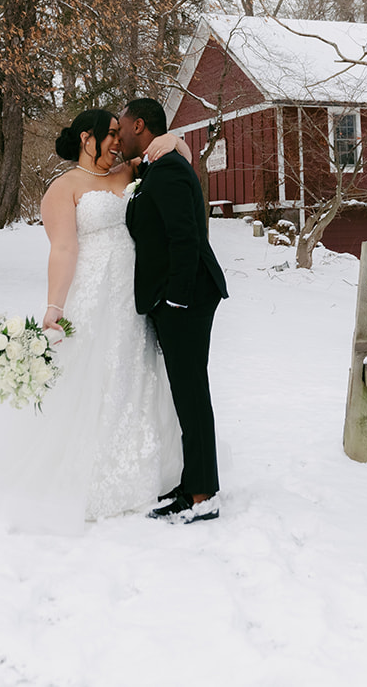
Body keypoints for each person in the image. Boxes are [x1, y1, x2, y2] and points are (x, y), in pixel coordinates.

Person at [0, 108, 189, 533]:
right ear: (88, 137)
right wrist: (54, 309)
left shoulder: (125, 174)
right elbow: (63, 250)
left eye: (121, 135)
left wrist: (172, 139)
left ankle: (144, 467)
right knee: (87, 379)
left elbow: (180, 154)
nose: (119, 143)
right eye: (112, 135)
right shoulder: (62, 189)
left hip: (132, 299)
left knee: (133, 375)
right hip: (94, 295)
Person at [118, 98, 228, 525]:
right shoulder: (157, 167)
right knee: (187, 394)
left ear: (140, 126)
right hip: (178, 299)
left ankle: (203, 495)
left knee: (192, 395)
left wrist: (176, 300)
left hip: (188, 299)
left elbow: (187, 238)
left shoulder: (168, 172)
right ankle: (192, 484)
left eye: (123, 130)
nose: (120, 137)